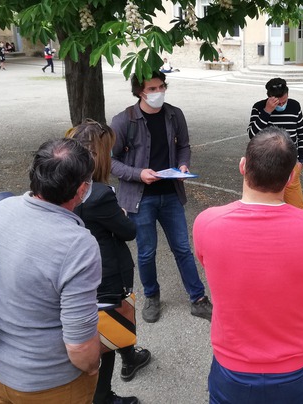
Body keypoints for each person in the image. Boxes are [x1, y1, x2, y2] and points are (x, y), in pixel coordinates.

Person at [193, 127, 303, 404]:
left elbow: (207, 262)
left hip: (232, 366)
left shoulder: (207, 223)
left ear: (243, 166)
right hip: (296, 367)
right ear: (292, 175)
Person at [0, 138, 101, 403]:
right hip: (51, 383)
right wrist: (93, 367)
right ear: (81, 189)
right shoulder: (77, 244)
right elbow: (80, 346)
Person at [110, 70, 213, 324]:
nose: (158, 93)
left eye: (161, 87)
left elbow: (183, 146)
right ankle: (152, 297)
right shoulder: (124, 120)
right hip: (140, 197)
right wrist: (138, 173)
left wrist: (183, 165)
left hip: (170, 194)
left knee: (183, 249)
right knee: (146, 252)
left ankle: (198, 299)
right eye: (152, 89)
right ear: (139, 92)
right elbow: (111, 161)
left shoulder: (174, 114)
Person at [70, 121, 152, 404]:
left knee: (111, 321)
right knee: (107, 331)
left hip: (80, 270)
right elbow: (128, 232)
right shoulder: (101, 195)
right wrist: (121, 214)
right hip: (108, 273)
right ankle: (103, 397)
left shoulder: (67, 187)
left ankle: (130, 354)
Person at [247, 77, 303, 209]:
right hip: (265, 167)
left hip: (291, 165)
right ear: (268, 97)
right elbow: (252, 135)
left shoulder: (294, 106)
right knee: (267, 207)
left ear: (288, 94)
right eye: (277, 103)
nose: (281, 105)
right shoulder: (258, 107)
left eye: (284, 101)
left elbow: (302, 133)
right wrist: (267, 111)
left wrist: (301, 160)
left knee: (297, 207)